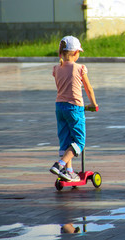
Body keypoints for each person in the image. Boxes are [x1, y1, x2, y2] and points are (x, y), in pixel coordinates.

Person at [50, 36, 98, 182]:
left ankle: (69, 171)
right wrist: (93, 104)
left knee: (65, 140)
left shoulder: (56, 68)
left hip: (60, 107)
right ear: (76, 52)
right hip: (75, 107)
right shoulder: (79, 68)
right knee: (79, 142)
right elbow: (88, 88)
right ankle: (60, 165)